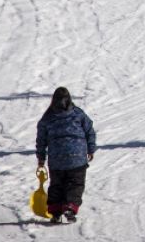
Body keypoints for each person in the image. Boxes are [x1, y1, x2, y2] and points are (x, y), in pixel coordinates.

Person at [36, 87, 97, 224]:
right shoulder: (78, 113)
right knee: (75, 184)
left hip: (56, 159)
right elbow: (89, 131)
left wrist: (41, 158)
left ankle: (56, 212)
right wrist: (91, 149)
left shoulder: (48, 118)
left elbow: (41, 139)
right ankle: (70, 206)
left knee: (57, 185)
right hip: (77, 157)